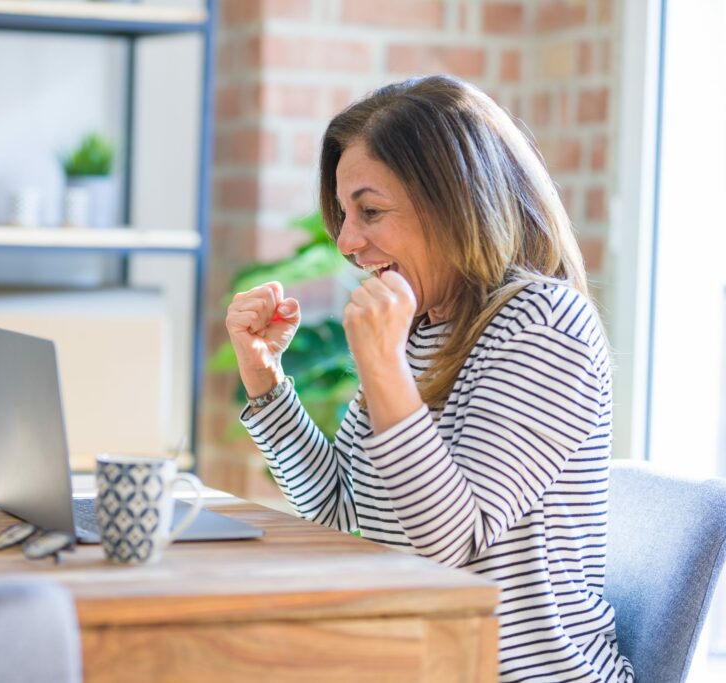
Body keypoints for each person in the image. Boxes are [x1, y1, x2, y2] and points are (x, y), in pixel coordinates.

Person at [225, 75, 633, 682]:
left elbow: (448, 544)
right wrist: (266, 378)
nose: (345, 241)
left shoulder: (546, 325)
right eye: (343, 214)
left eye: (370, 211)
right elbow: (341, 508)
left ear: (455, 201)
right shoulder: (420, 329)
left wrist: (384, 368)